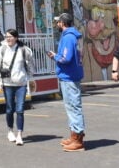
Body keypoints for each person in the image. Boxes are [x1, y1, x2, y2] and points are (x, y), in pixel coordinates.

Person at [47, 12, 86, 151]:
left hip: (69, 76)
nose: (57, 24)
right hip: (72, 75)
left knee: (73, 107)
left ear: (63, 23)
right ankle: (74, 135)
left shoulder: (68, 37)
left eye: (58, 22)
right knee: (72, 107)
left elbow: (65, 58)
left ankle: (78, 139)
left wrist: (54, 56)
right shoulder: (74, 36)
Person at [0, 29, 35, 145]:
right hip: (7, 83)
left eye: (11, 37)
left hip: (20, 84)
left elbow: (31, 64)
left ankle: (19, 135)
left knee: (20, 109)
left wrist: (28, 76)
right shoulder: (2, 50)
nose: (8, 39)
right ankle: (10, 131)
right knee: (9, 109)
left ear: (16, 37)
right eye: (7, 37)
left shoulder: (24, 50)